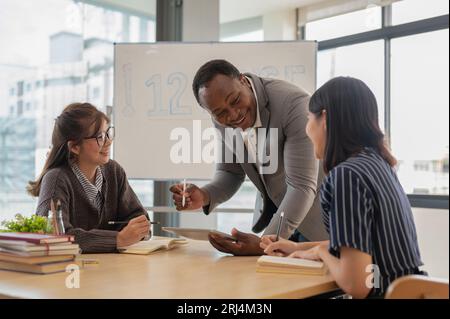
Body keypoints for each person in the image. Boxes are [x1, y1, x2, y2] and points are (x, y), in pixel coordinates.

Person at [261, 77, 423, 298]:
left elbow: (357, 284)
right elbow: (361, 245)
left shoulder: (346, 176)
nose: (307, 129)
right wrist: (299, 248)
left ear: (324, 119)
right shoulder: (379, 164)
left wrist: (318, 252)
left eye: (309, 118)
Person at [170, 59, 328, 256]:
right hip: (282, 223)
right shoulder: (222, 118)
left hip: (320, 226)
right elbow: (230, 172)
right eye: (219, 113)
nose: (233, 115)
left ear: (243, 81)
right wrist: (204, 195)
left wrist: (265, 244)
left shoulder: (293, 105)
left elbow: (302, 187)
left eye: (235, 100)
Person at [28, 103, 151, 253]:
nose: (108, 141)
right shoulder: (56, 179)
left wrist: (138, 230)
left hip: (112, 268)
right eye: (99, 137)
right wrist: (118, 239)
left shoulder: (113, 171)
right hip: (70, 272)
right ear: (74, 147)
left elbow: (137, 216)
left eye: (108, 133)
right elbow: (55, 236)